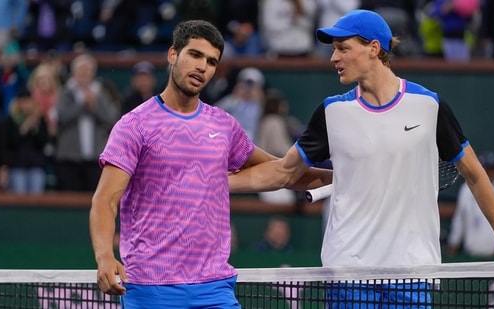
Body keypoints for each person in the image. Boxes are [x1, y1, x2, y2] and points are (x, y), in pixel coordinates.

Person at [229, 9, 494, 307]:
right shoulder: (332, 112)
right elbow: (284, 172)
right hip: (347, 275)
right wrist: (219, 182)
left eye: (343, 48)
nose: (334, 58)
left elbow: (474, 174)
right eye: (333, 50)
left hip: (412, 273)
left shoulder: (428, 105)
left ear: (373, 49)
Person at [89, 19, 332, 308]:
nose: (203, 67)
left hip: (215, 288)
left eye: (212, 61)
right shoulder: (134, 125)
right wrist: (105, 256)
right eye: (195, 55)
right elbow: (105, 200)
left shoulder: (224, 125)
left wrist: (342, 178)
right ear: (172, 55)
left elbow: (283, 171)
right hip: (151, 289)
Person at [54, 53, 119, 191]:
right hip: (69, 158)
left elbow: (112, 119)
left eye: (87, 71)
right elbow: (62, 118)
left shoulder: (101, 93)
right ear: (74, 73)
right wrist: (82, 103)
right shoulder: (65, 93)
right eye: (81, 71)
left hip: (95, 158)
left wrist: (94, 106)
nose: (84, 75)